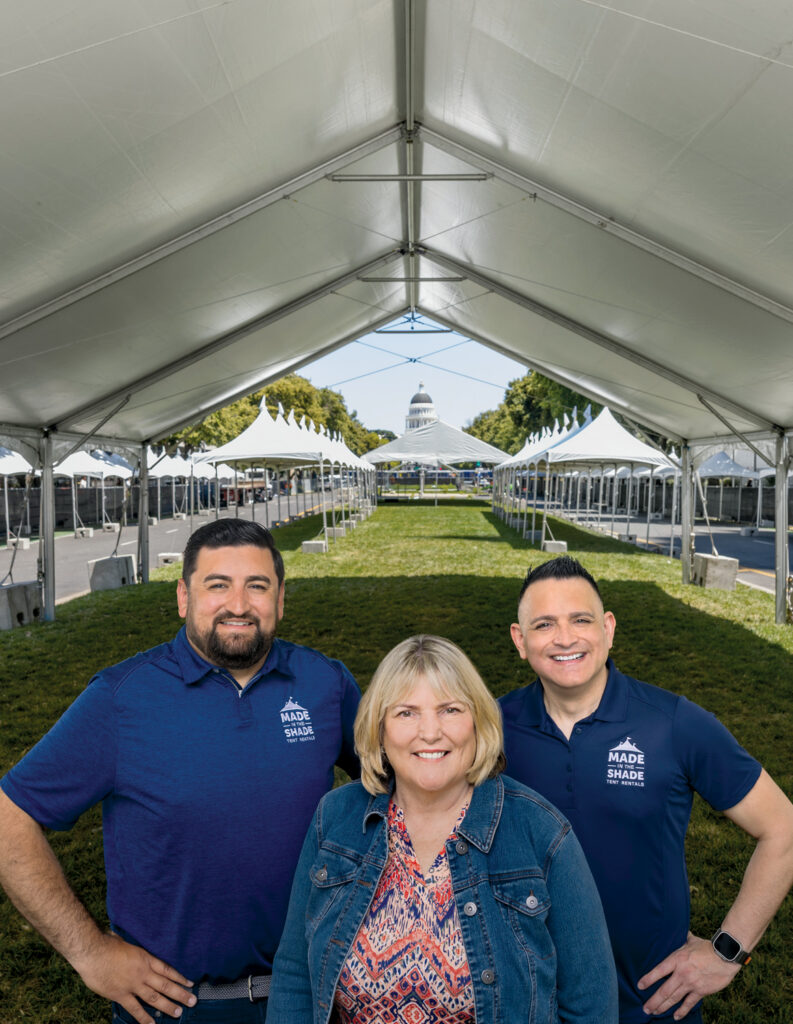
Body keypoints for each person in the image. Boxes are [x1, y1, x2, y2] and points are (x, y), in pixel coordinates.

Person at [0, 518, 361, 1024]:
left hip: (311, 1000)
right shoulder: (122, 699)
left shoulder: (326, 683)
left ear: (280, 599)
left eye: (257, 586)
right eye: (217, 585)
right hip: (179, 1009)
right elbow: (8, 817)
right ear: (183, 597)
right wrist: (89, 952)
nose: (238, 604)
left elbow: (405, 784)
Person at [500, 555, 793, 1023]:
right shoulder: (489, 731)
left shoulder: (674, 724)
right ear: (520, 640)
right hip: (525, 1001)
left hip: (649, 1004)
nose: (566, 638)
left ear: (608, 628)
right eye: (544, 625)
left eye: (581, 620)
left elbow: (784, 829)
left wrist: (727, 951)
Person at [267, 634, 618, 1024]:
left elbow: (591, 1006)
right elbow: (295, 977)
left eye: (450, 710)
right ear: (379, 730)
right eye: (406, 713)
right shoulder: (336, 818)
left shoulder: (542, 832)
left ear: (477, 722)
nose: (430, 732)